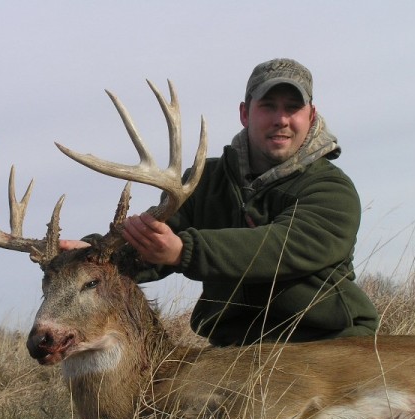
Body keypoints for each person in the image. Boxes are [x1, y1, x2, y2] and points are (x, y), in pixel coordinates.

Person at [62, 58, 379, 345]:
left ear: (311, 116)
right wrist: (94, 254)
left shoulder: (330, 188)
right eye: (268, 106)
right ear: (245, 113)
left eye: (292, 108)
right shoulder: (205, 180)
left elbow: (282, 245)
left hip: (329, 344)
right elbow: (154, 241)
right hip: (234, 352)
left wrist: (185, 251)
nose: (281, 119)